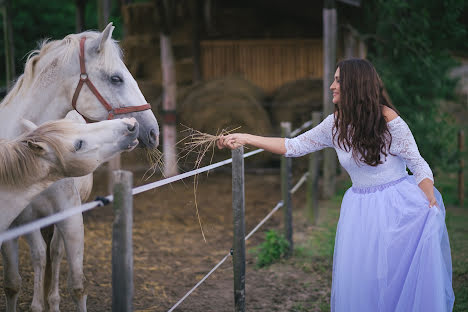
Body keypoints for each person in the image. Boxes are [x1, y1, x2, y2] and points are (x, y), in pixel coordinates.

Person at [217, 58, 454, 312]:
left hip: (397, 207)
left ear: (355, 84)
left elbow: (418, 165)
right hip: (359, 210)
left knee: (394, 277)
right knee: (365, 279)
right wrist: (246, 137)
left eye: (338, 80)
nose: (332, 85)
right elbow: (293, 146)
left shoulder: (388, 119)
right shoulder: (334, 124)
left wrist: (428, 195)